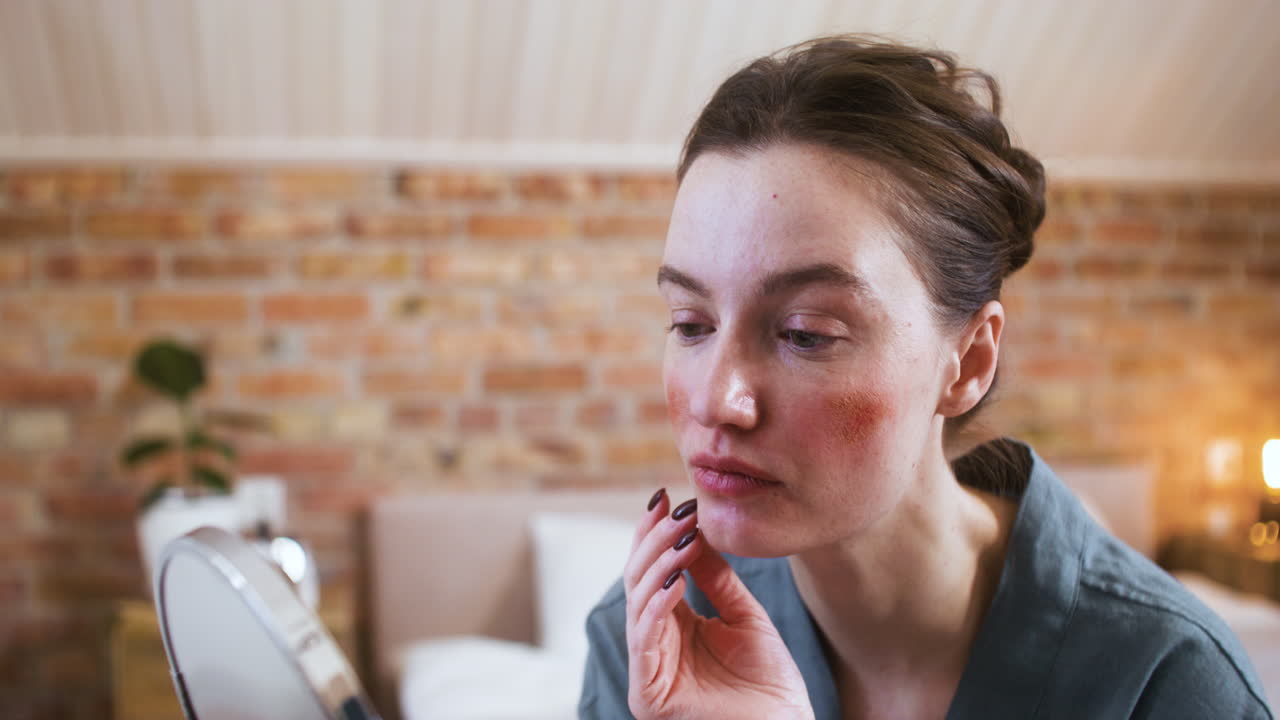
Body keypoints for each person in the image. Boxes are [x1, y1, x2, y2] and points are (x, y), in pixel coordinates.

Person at [578, 34, 1272, 720]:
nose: (714, 399)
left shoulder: (1169, 683)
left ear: (967, 361)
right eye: (690, 324)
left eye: (805, 334)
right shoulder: (650, 646)